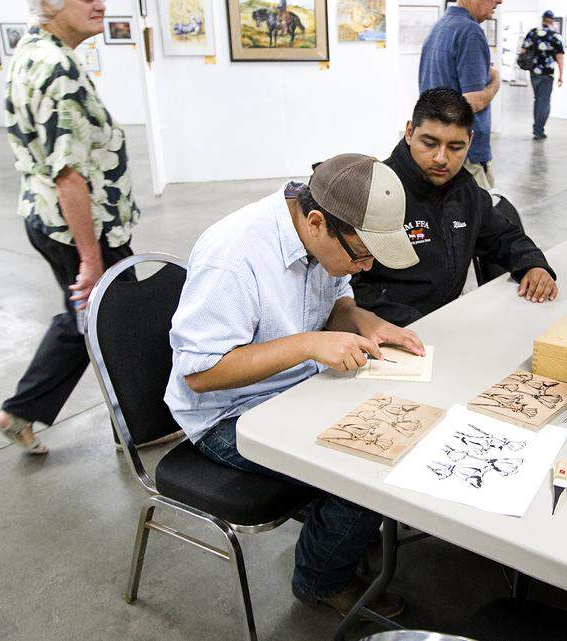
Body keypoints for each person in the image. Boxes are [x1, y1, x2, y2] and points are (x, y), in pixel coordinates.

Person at [164, 154, 423, 617]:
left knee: (400, 421)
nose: (364, 268)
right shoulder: (234, 256)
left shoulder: (321, 235)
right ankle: (321, 582)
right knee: (361, 473)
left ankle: (338, 535)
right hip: (229, 415)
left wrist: (367, 322)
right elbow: (200, 373)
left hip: (296, 388)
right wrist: (307, 345)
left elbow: (336, 300)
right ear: (319, 222)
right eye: (360, 254)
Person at [0, 0, 160, 455]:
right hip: (80, 229)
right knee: (109, 321)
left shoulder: (34, 51)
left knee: (92, 321)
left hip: (48, 219)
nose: (100, 4)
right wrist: (90, 258)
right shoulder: (56, 67)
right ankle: (135, 427)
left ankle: (21, 412)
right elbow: (69, 174)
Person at [352, 88, 557, 326]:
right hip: (393, 331)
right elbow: (349, 284)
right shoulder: (373, 191)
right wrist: (415, 326)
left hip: (448, 323)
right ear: (410, 132)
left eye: (455, 147)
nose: (441, 158)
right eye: (429, 143)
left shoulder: (465, 191)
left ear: (469, 141)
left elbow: (503, 237)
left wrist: (533, 264)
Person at [419, 0, 502, 190]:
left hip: (439, 146)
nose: (500, 1)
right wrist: (496, 82)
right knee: (483, 215)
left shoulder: (440, 27)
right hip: (465, 155)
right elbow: (473, 102)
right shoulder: (470, 32)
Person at [519, 10, 564, 139]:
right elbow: (560, 58)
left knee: (537, 100)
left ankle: (537, 128)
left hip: (534, 73)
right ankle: (539, 129)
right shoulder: (555, 36)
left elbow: (523, 51)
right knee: (544, 102)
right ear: (552, 21)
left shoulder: (533, 33)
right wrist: (561, 75)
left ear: (543, 19)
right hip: (547, 74)